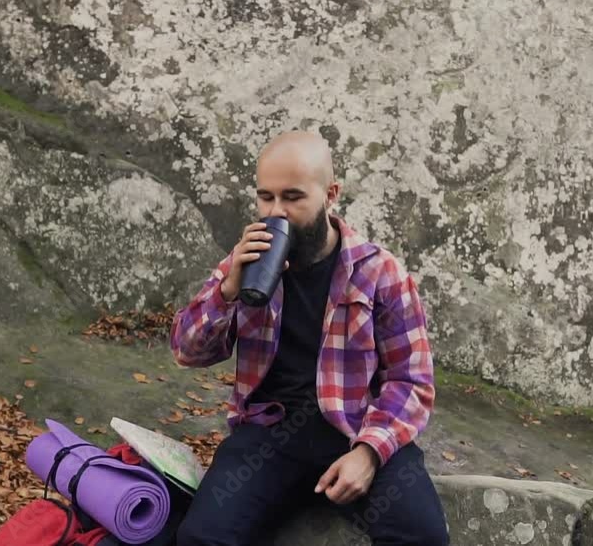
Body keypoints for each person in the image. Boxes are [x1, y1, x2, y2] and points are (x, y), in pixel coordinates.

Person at [170, 130, 449, 546]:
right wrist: (227, 291)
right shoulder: (245, 262)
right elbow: (186, 351)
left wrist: (369, 453)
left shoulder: (380, 273)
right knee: (202, 537)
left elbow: (412, 381)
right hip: (270, 433)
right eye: (266, 197)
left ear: (330, 194)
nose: (276, 212)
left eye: (293, 197)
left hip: (355, 427)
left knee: (421, 536)